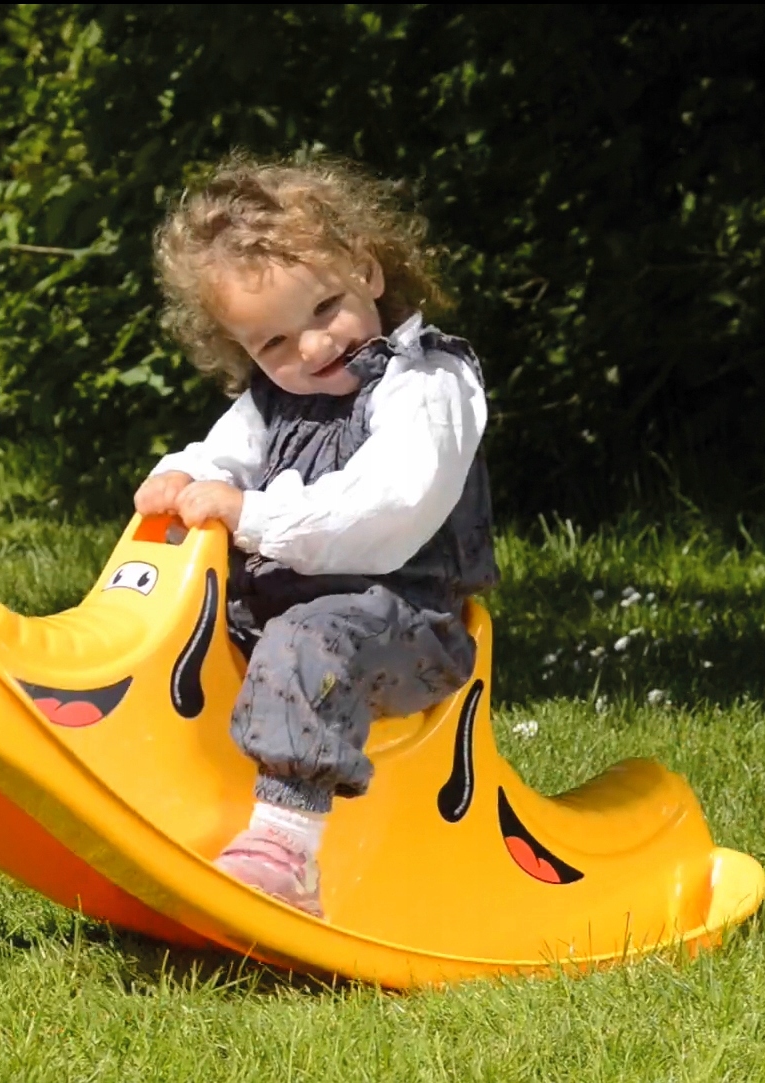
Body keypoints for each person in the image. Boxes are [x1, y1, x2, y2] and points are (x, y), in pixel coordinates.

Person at [137, 154, 498, 918]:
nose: (309, 348)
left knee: (308, 640)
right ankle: (153, 786)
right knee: (189, 623)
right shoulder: (273, 400)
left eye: (325, 307)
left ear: (367, 270)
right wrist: (179, 479)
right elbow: (221, 456)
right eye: (272, 343)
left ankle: (286, 851)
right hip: (289, 610)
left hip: (408, 620)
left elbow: (390, 505)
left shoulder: (425, 382)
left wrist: (250, 514)